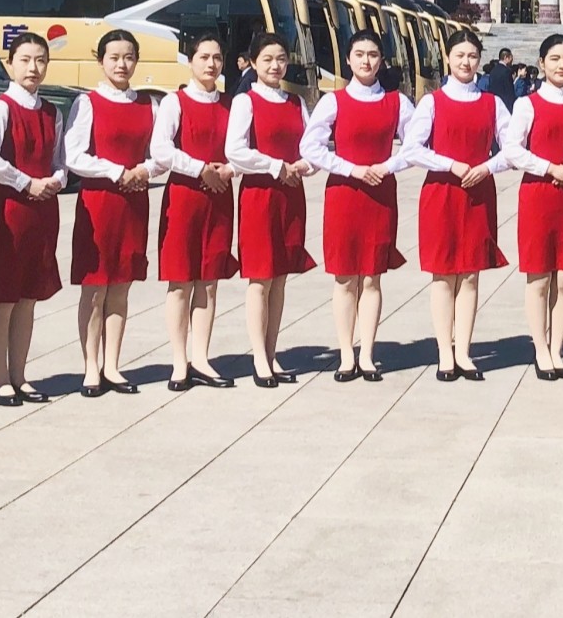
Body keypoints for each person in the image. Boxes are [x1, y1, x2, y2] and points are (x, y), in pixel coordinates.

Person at [399, 29, 509, 381]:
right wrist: (451, 164)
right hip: (443, 193)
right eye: (460, 55)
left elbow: (512, 149)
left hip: (478, 193)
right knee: (444, 274)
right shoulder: (432, 102)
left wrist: (487, 167)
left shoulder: (492, 103)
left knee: (471, 274)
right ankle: (444, 352)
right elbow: (412, 149)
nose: (466, 62)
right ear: (448, 58)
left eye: (472, 56)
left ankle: (464, 350)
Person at [302, 29, 410, 383]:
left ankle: (367, 353)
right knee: (346, 277)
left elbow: (416, 145)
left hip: (380, 194)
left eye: (373, 54)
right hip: (345, 195)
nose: (366, 60)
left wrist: (387, 166)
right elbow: (311, 147)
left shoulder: (397, 102)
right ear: (348, 60)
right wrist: (352, 169)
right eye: (360, 54)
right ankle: (346, 353)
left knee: (373, 277)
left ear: (382, 60)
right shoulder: (333, 102)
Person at [65, 29, 157, 397]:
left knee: (121, 285)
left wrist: (144, 170)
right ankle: (91, 365)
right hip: (99, 202)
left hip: (134, 202)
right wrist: (117, 171)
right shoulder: (88, 103)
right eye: (114, 57)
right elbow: (74, 155)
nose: (122, 64)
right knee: (95, 287)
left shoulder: (148, 104)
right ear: (101, 60)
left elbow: (159, 152)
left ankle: (113, 365)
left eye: (128, 57)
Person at [0, 32, 65, 407]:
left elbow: (59, 159)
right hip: (10, 207)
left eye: (40, 60)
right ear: (11, 63)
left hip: (43, 209)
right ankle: (0, 378)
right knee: (4, 296)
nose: (33, 67)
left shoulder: (52, 111)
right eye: (25, 60)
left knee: (29, 296)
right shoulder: (3, 107)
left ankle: (20, 374)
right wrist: (26, 181)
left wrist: (56, 180)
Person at [149, 30, 240, 392]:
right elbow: (160, 148)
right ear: (190, 61)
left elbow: (242, 148)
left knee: (209, 280)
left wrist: (228, 170)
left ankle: (201, 357)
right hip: (185, 197)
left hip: (219, 198)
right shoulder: (175, 102)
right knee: (180, 281)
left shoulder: (231, 104)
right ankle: (178, 361)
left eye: (217, 58)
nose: (211, 64)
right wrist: (200, 168)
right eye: (204, 57)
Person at [226, 33, 318, 386]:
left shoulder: (296, 102)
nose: (275, 66)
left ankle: (272, 351)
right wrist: (276, 165)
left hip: (291, 194)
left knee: (280, 276)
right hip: (260, 194)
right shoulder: (245, 101)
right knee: (260, 277)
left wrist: (304, 165)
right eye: (267, 59)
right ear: (253, 62)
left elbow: (312, 145)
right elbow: (236, 150)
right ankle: (258, 358)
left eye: (280, 59)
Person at [499, 32, 563, 379]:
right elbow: (512, 149)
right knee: (539, 276)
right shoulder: (528, 104)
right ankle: (540, 348)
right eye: (554, 59)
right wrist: (551, 168)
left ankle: (557, 348)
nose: (561, 65)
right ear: (541, 63)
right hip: (539, 195)